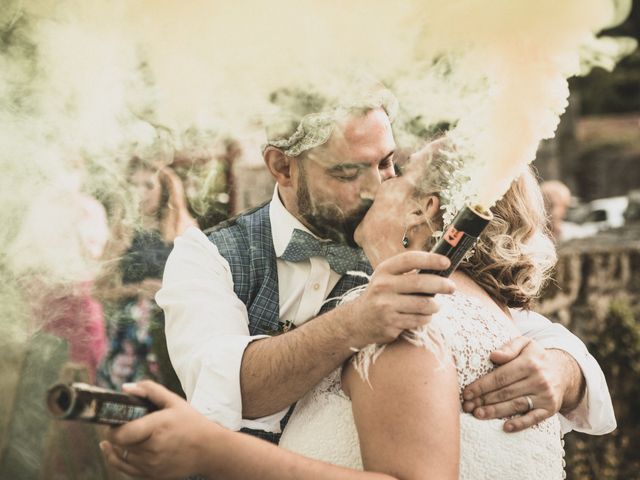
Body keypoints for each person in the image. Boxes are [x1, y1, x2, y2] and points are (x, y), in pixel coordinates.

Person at [101, 141, 614, 479]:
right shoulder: (210, 256)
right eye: (351, 170)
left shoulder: (412, 320)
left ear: (425, 209)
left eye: (391, 167)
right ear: (282, 164)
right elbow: (230, 386)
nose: (376, 184)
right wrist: (353, 321)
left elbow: (544, 344)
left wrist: (569, 370)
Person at [97, 157, 196, 392]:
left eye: (148, 186)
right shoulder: (122, 233)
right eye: (134, 185)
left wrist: (172, 289)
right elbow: (98, 290)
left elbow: (205, 286)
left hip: (175, 333)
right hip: (130, 340)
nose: (140, 193)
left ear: (164, 190)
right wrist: (136, 289)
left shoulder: (186, 230)